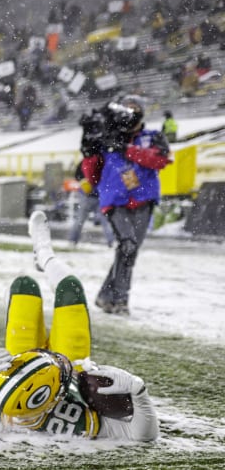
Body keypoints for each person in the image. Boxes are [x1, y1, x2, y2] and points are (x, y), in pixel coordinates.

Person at [0, 210, 157, 441]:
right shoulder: (68, 421)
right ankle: (45, 253)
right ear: (54, 401)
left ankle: (37, 260)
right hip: (73, 368)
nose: (52, 355)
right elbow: (142, 435)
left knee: (24, 286)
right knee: (70, 289)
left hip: (21, 356)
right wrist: (138, 391)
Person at [90, 96, 172, 315]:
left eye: (135, 108)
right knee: (127, 245)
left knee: (129, 250)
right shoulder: (106, 138)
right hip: (116, 201)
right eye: (127, 108)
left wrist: (127, 149)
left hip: (144, 200)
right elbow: (91, 169)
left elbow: (160, 159)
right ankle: (120, 299)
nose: (130, 112)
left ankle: (107, 296)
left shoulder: (153, 136)